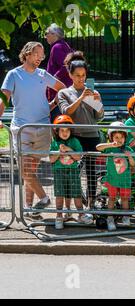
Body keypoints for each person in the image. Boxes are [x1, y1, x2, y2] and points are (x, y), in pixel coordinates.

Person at [0, 42, 66, 219]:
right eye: (37, 54)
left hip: (42, 127)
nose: (40, 58)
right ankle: (44, 199)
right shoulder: (13, 74)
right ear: (27, 54)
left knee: (30, 172)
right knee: (25, 170)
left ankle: (29, 208)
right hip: (22, 128)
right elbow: (3, 98)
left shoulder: (42, 74)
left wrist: (50, 106)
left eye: (42, 55)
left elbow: (62, 90)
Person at [58, 53, 104, 210]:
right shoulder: (64, 93)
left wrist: (98, 103)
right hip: (75, 137)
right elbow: (67, 111)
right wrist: (81, 97)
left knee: (91, 172)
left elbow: (98, 117)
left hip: (92, 136)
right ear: (70, 75)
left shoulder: (90, 92)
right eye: (77, 75)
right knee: (73, 170)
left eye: (83, 75)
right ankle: (74, 205)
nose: (81, 79)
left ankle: (91, 205)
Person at [49, 115, 93, 229]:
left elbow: (78, 157)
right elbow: (51, 159)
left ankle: (81, 214)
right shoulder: (54, 143)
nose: (65, 133)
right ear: (57, 131)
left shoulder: (75, 141)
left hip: (73, 171)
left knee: (76, 194)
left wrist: (69, 149)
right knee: (60, 195)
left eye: (67, 130)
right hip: (59, 172)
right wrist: (59, 152)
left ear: (71, 130)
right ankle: (59, 216)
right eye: (62, 130)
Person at [96, 122, 135, 231]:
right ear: (111, 137)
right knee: (112, 199)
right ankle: (110, 218)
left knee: (124, 199)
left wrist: (130, 157)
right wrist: (110, 144)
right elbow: (98, 147)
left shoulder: (128, 149)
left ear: (125, 138)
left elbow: (133, 164)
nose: (119, 140)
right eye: (116, 137)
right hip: (112, 180)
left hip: (124, 180)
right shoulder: (110, 148)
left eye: (121, 137)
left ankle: (126, 217)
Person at [45, 23, 74, 122]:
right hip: (65, 92)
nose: (45, 36)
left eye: (46, 33)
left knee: (57, 123)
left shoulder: (57, 47)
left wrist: (54, 78)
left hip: (58, 93)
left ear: (54, 34)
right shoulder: (64, 45)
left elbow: (65, 65)